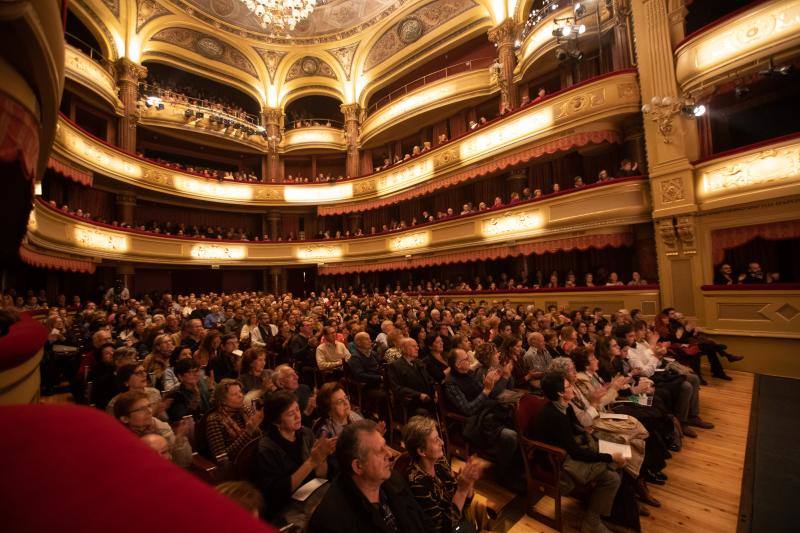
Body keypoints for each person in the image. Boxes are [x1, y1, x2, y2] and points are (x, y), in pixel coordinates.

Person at [528, 373, 625, 533]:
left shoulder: (565, 406)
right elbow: (575, 452)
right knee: (612, 477)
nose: (573, 388)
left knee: (618, 459)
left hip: (569, 452)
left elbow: (576, 429)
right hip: (556, 462)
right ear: (560, 393)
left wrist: (594, 438)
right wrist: (609, 456)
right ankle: (591, 522)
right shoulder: (555, 416)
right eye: (569, 386)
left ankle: (604, 514)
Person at [307, 419, 427, 532]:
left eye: (385, 445)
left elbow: (423, 523)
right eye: (380, 450)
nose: (389, 454)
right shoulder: (333, 522)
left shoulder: (394, 479)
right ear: (358, 466)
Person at [255, 390, 336, 522]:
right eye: (291, 414)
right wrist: (311, 462)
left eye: (298, 409)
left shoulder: (305, 433)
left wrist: (322, 457)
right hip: (288, 506)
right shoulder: (267, 448)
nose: (298, 416)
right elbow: (278, 494)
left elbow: (320, 476)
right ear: (276, 421)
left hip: (312, 492)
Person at [402, 416, 489, 532]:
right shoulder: (417, 482)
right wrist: (462, 490)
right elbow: (444, 528)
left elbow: (463, 504)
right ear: (422, 451)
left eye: (439, 437)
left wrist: (469, 482)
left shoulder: (439, 461)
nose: (442, 443)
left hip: (459, 524)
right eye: (436, 440)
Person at [113, 390, 193, 467]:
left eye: (149, 406)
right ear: (125, 419)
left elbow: (182, 463)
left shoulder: (160, 426)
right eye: (142, 409)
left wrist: (179, 438)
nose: (149, 411)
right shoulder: (118, 440)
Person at [204, 378, 263, 463]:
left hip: (253, 456)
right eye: (235, 394)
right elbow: (221, 457)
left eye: (240, 392)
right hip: (235, 464)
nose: (241, 395)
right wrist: (248, 431)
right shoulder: (214, 420)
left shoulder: (245, 410)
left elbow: (259, 438)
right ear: (223, 400)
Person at [387, 338, 436, 417]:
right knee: (423, 412)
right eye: (413, 346)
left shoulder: (419, 362)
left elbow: (429, 379)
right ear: (404, 349)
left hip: (427, 400)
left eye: (417, 346)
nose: (417, 348)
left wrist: (435, 390)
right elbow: (397, 388)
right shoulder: (395, 366)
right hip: (410, 403)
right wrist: (418, 395)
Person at [166, 358, 211, 423]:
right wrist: (196, 398)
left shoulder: (203, 387)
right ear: (180, 376)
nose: (196, 374)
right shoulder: (176, 395)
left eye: (197, 371)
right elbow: (182, 418)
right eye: (191, 372)